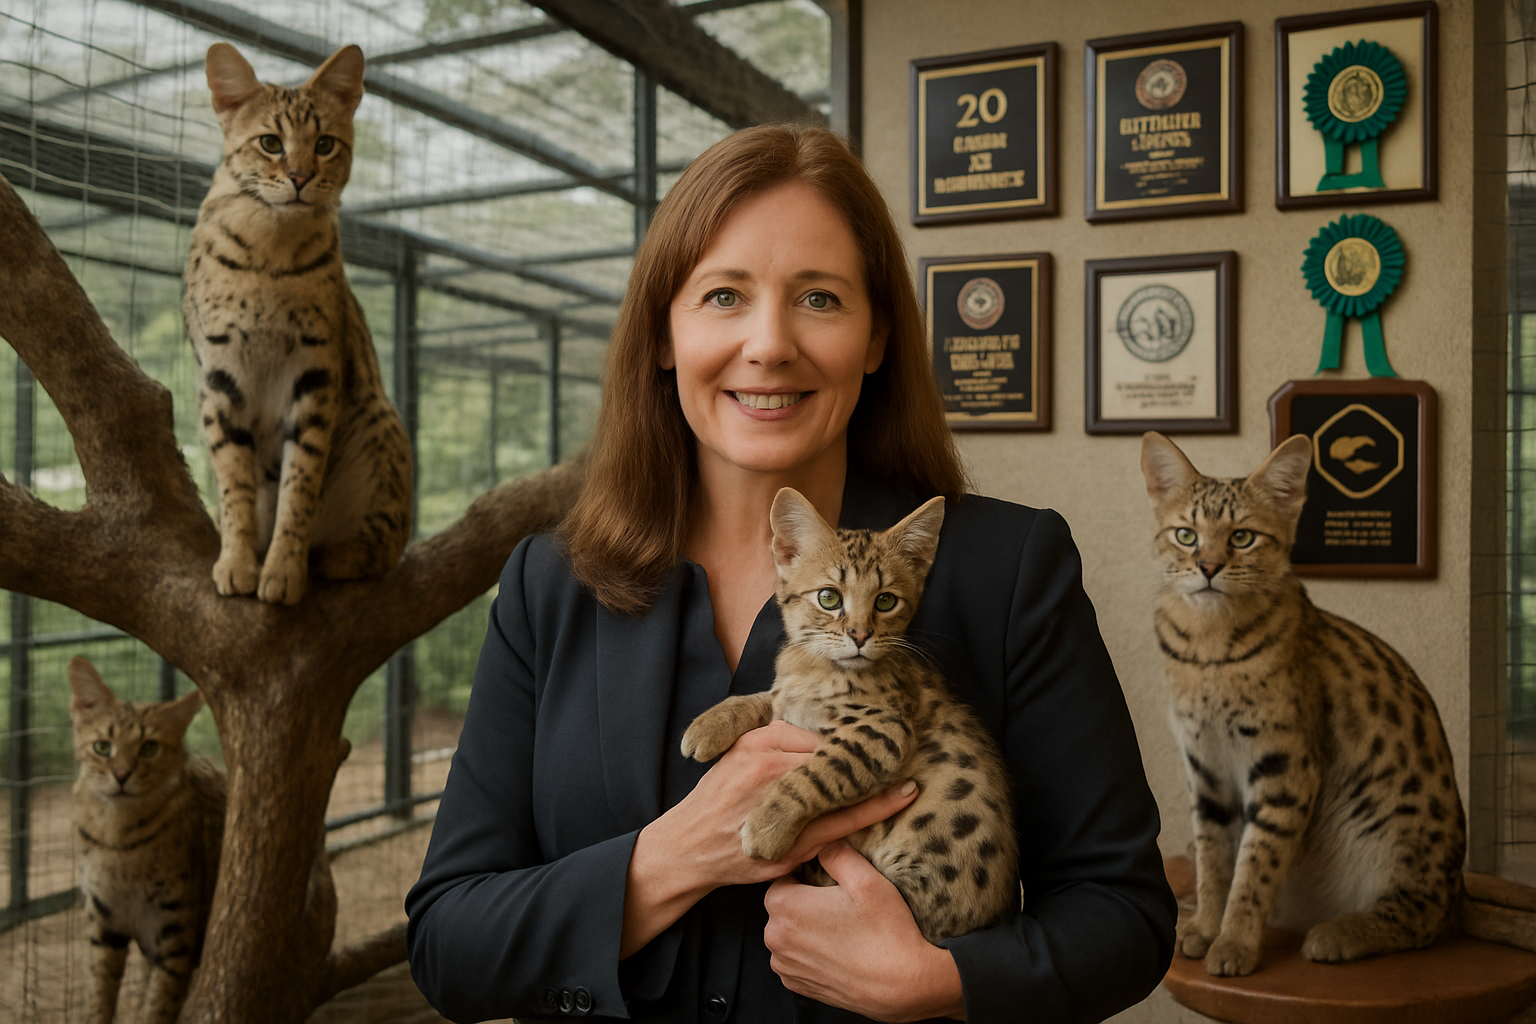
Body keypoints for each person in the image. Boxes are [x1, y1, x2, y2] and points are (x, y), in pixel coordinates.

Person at [405, 124, 1175, 1023]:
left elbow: (1125, 917)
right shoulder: (549, 584)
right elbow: (448, 946)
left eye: (818, 298)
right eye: (723, 295)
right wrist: (672, 857)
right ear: (663, 334)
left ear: (877, 337)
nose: (769, 345)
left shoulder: (1010, 568)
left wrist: (940, 983)